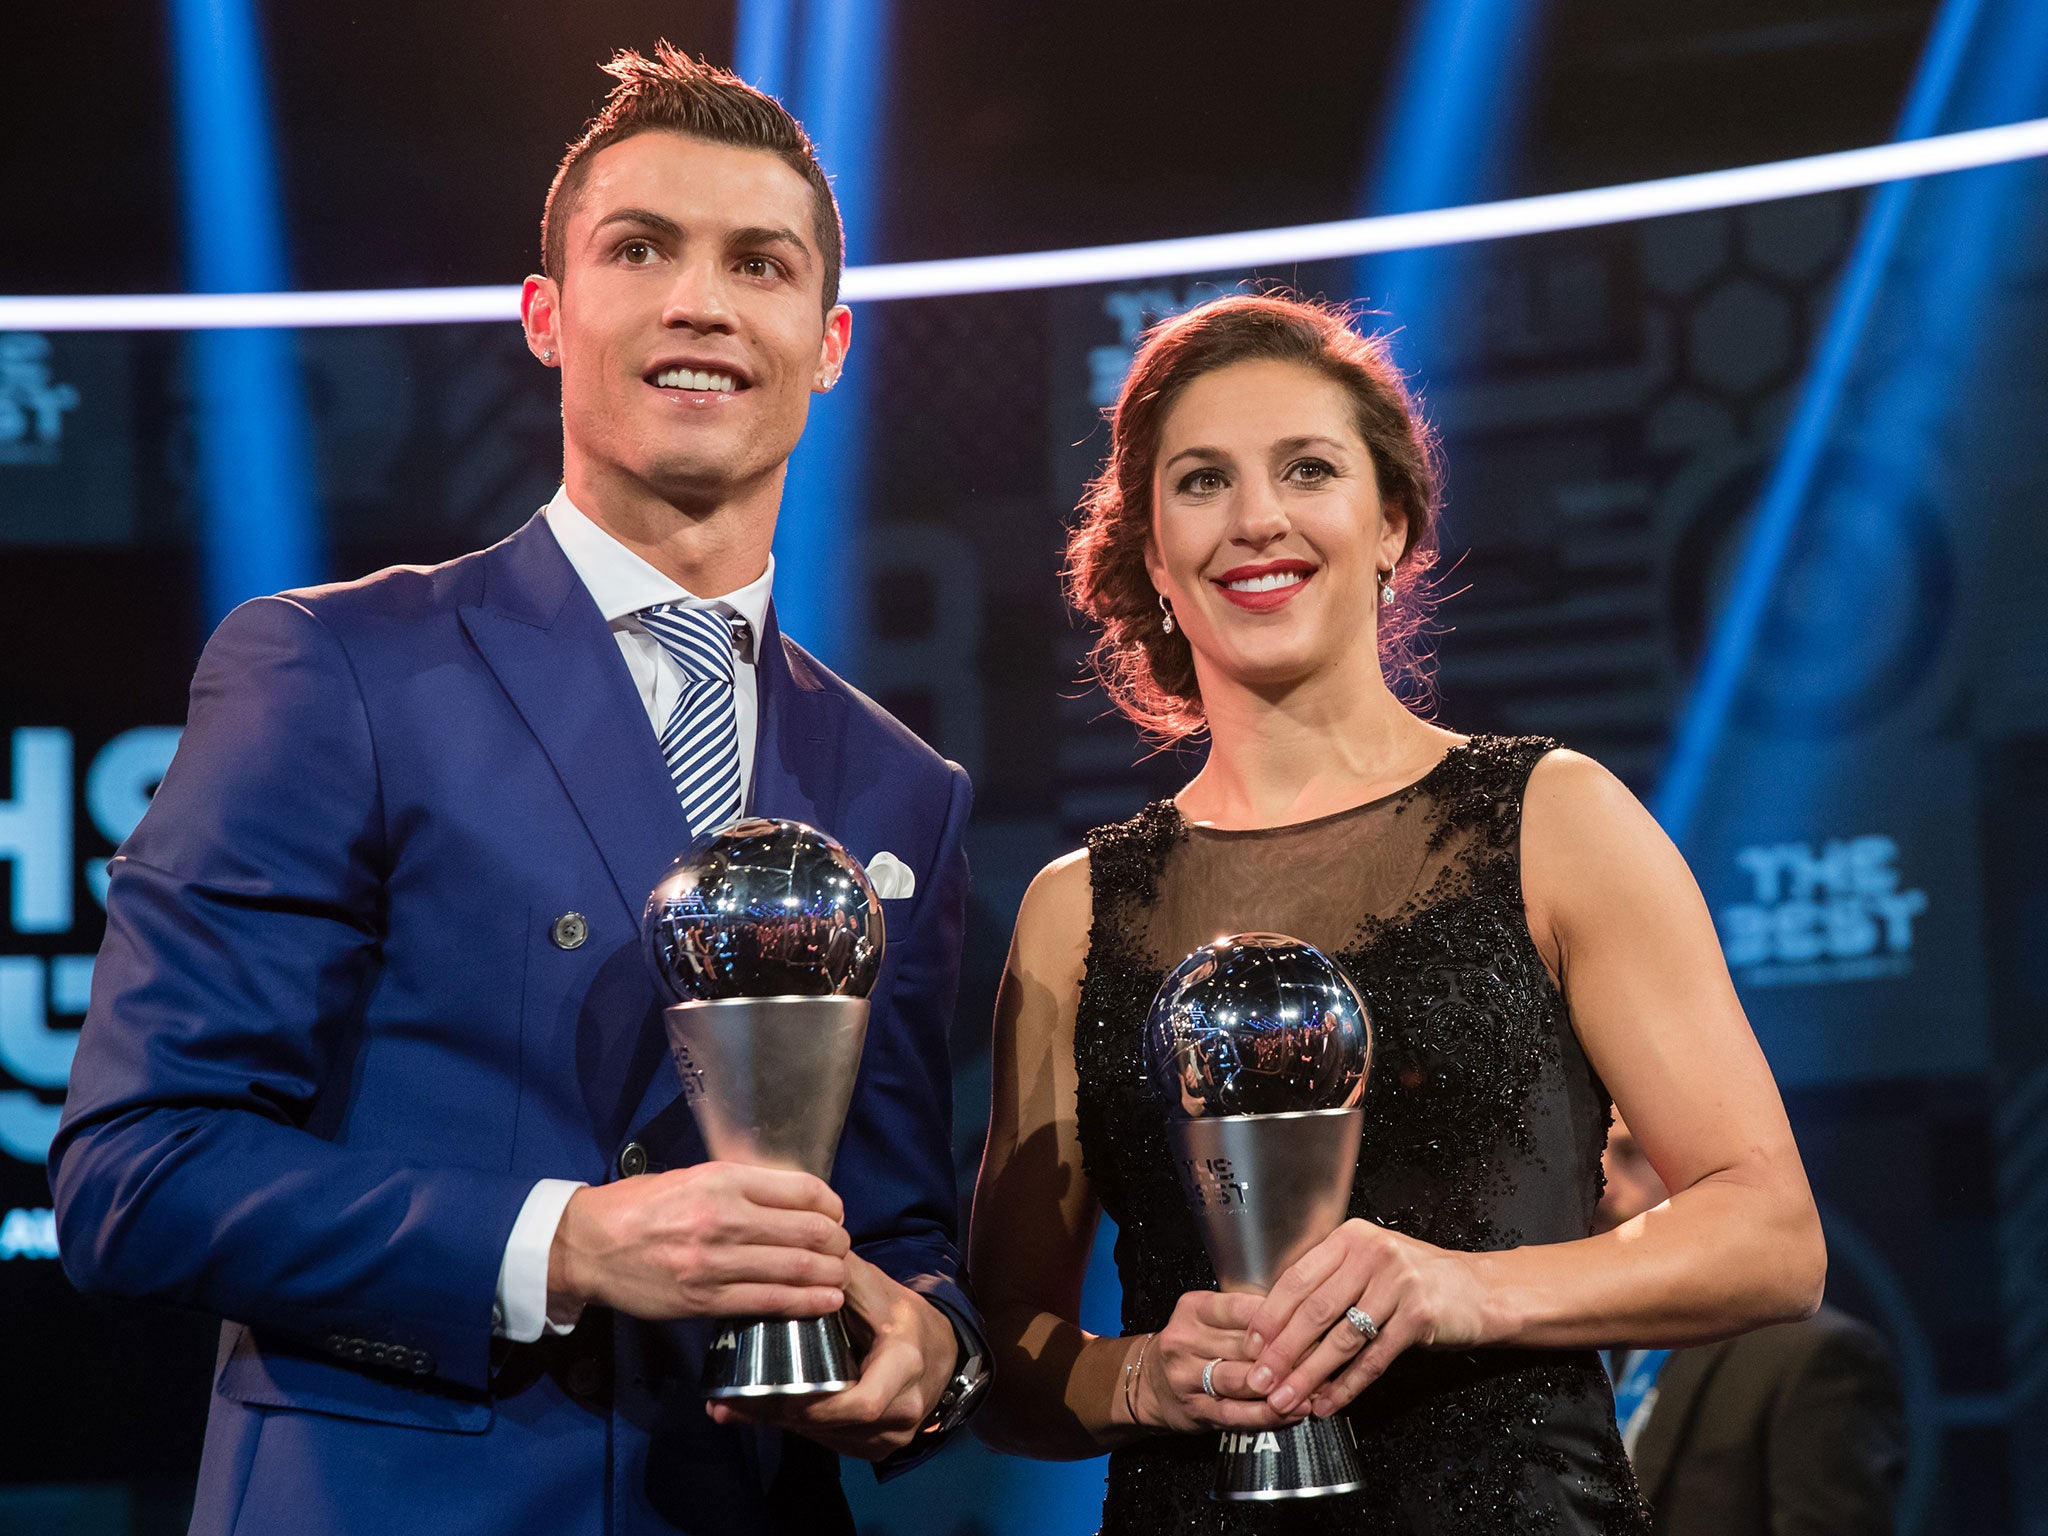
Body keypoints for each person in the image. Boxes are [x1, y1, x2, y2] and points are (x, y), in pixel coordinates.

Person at [51, 45, 987, 1536]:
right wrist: (565, 1245)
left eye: (760, 263)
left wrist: (928, 1348)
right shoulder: (334, 670)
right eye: (641, 250)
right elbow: (137, 1172)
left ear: (827, 343)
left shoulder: (899, 790)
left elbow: (898, 1227)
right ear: (547, 317)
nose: (700, 301)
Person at [968, 292, 1828, 1534]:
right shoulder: (1074, 911)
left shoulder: (1552, 821)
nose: (1255, 518)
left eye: (1306, 469)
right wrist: (1137, 1375)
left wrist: (1460, 1290)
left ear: (1391, 524)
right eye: (1200, 482)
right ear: (1151, 555)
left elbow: (1771, 1238)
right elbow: (1001, 1347)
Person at [1599, 1115, 1905, 1534]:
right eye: (1588, 1152)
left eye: (1631, 1153)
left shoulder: (1814, 1356)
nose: (1600, 1182)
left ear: (1709, 1171)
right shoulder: (1564, 1345)